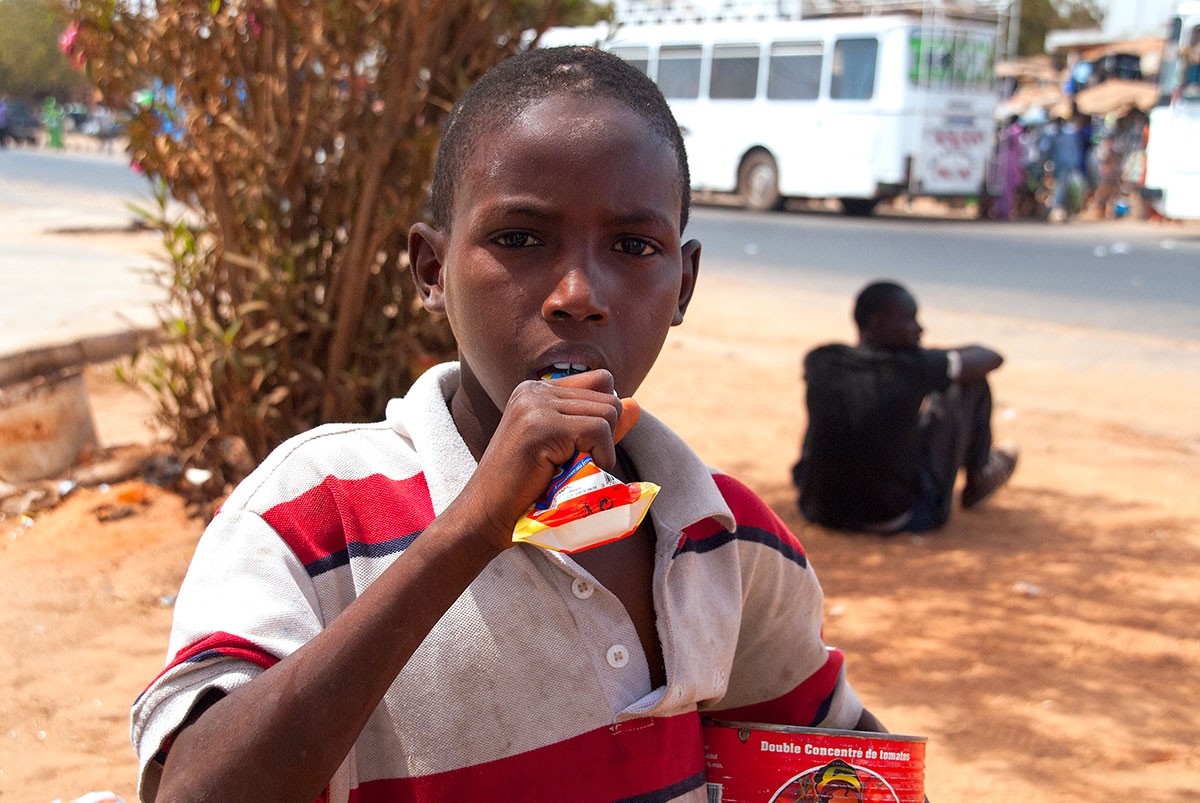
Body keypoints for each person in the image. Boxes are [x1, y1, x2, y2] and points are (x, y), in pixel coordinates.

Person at [130, 47, 906, 803]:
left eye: (635, 246)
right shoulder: (313, 513)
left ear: (683, 284)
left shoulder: (722, 537)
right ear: (433, 271)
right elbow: (193, 789)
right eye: (519, 238)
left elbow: (835, 759)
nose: (576, 293)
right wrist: (469, 527)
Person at [792, 280, 1017, 534]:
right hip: (891, 516)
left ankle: (981, 471)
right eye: (910, 320)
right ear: (875, 322)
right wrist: (934, 357)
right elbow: (990, 357)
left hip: (818, 509)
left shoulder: (822, 359)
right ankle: (979, 475)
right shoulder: (912, 367)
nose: (920, 329)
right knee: (968, 383)